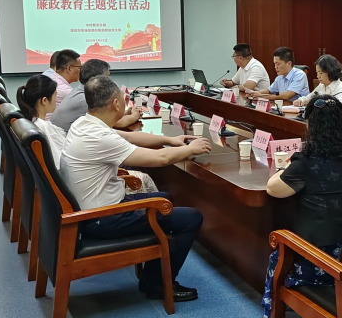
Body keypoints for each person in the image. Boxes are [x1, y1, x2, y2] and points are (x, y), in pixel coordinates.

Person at [60, 76, 212, 302]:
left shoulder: (84, 124)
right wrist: (192, 148)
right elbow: (160, 159)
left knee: (164, 198)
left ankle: (152, 278)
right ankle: (159, 286)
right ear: (115, 103)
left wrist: (172, 140)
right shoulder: (100, 137)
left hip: (93, 209)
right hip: (102, 218)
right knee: (191, 218)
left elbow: (131, 137)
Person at [262, 94, 342, 318]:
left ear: (310, 125)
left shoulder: (306, 161)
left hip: (321, 262)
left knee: (278, 256)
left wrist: (285, 169)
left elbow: (273, 189)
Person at [17, 74, 157, 195]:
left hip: (77, 181)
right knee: (138, 171)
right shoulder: (45, 128)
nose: (57, 99)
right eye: (55, 96)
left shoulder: (33, 124)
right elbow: (60, 166)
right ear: (44, 101)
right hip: (81, 188)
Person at [51, 59, 141, 132]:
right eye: (107, 77)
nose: (109, 81)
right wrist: (134, 115)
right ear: (98, 80)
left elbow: (109, 118)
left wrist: (125, 113)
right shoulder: (86, 99)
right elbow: (119, 123)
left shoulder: (80, 91)